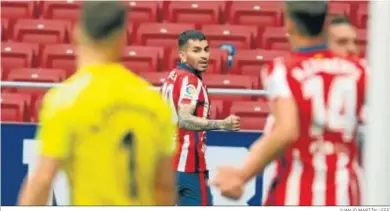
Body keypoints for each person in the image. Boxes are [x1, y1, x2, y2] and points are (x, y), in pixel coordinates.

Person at [17, 2, 176, 206]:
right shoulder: (154, 102)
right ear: (122, 39)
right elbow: (164, 186)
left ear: (77, 33)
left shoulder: (66, 99)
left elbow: (42, 180)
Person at [211, 1, 367, 206]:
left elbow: (287, 130)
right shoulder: (360, 70)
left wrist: (241, 175)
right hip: (346, 193)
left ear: (288, 23)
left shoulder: (284, 69)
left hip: (296, 192)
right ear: (324, 25)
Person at [161, 30, 240, 206]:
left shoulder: (172, 77)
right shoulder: (191, 81)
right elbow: (184, 118)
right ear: (182, 55)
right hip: (189, 168)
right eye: (196, 51)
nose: (204, 55)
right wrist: (222, 124)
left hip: (167, 167)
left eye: (205, 49)